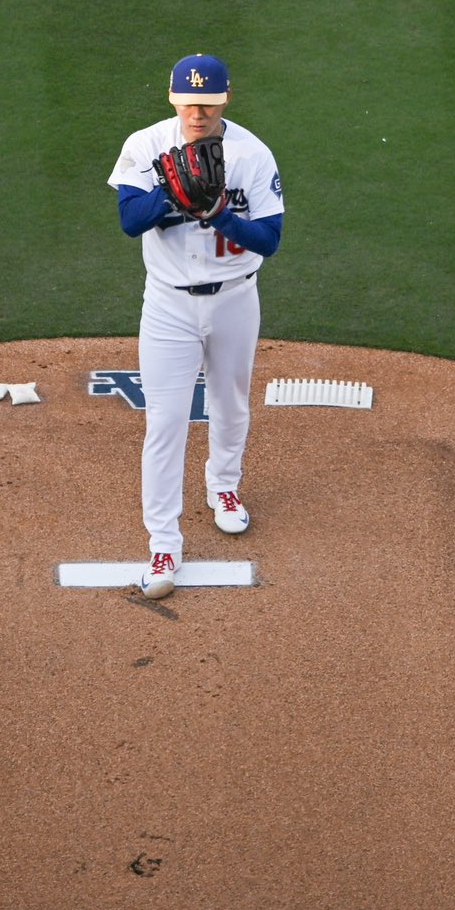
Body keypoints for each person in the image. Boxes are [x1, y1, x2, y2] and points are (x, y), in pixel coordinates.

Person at [108, 54, 285, 598]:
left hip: (235, 299)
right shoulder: (145, 145)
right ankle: (164, 542)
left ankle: (224, 489)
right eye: (188, 102)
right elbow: (130, 222)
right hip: (167, 307)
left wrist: (220, 215)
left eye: (207, 103)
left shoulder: (252, 155)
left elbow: (270, 240)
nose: (197, 113)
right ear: (172, 97)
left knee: (231, 403)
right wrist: (175, 194)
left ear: (226, 99)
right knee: (165, 423)